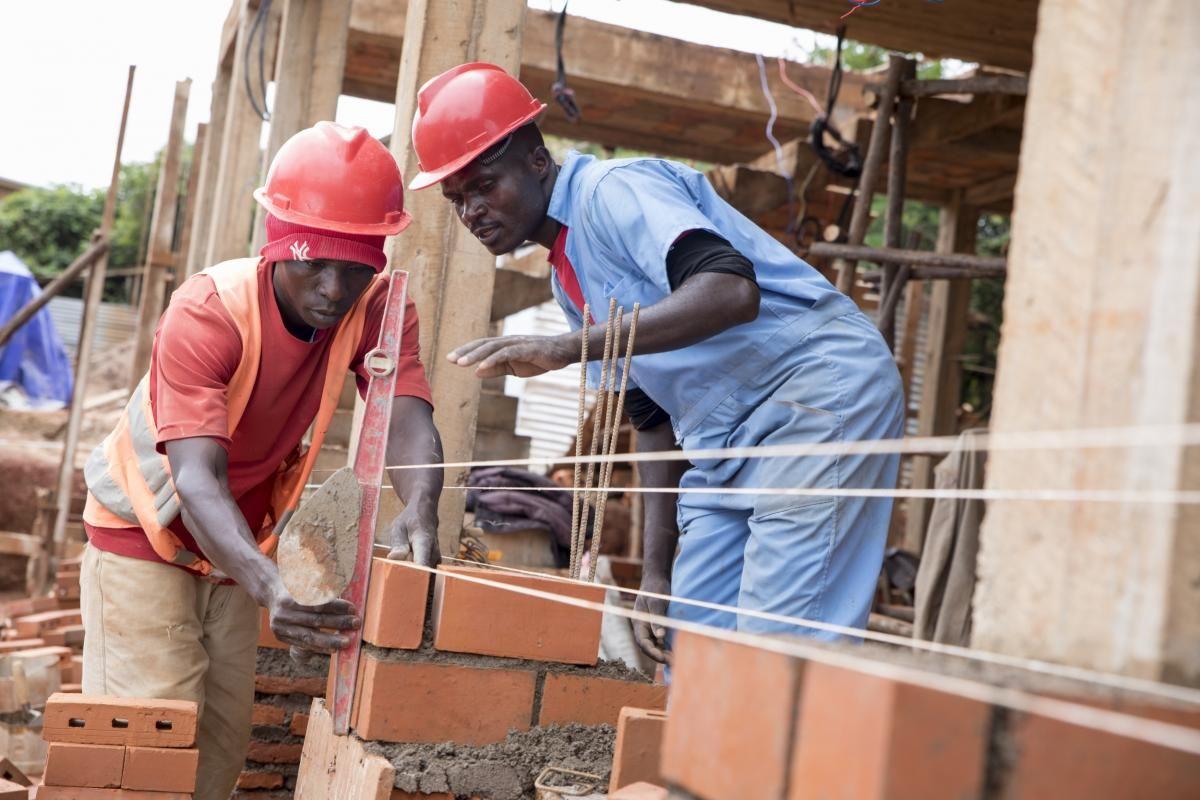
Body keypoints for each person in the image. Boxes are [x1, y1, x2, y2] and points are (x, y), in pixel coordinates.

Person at [407, 63, 905, 664]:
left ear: (538, 161)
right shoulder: (570, 276)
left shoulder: (612, 191)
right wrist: (655, 573)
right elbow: (648, 415)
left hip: (811, 394)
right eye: (457, 198)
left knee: (778, 655)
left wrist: (571, 348)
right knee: (690, 656)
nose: (473, 211)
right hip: (721, 440)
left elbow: (730, 290)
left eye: (485, 184)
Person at [79, 122, 444, 798]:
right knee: (152, 745)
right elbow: (195, 477)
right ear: (278, 245)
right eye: (315, 264)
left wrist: (422, 506)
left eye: (355, 266)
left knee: (217, 747)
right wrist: (271, 587)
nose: (334, 289)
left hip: (232, 549)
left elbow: (405, 414)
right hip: (143, 536)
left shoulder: (380, 309)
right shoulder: (210, 311)